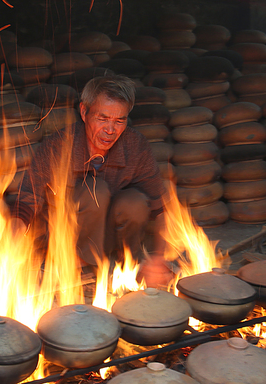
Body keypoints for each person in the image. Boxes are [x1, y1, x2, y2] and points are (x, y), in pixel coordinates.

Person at [13, 75, 171, 288]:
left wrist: (159, 258)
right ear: (84, 112)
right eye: (103, 118)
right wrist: (9, 250)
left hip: (109, 240)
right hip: (66, 241)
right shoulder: (58, 146)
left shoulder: (135, 146)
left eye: (119, 120)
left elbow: (161, 208)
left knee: (134, 202)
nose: (110, 130)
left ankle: (123, 265)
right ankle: (79, 267)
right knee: (95, 190)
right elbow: (27, 200)